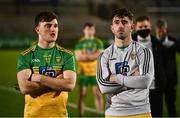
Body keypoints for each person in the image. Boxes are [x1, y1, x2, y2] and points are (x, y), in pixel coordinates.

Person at [96, 8, 154, 118]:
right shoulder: (104, 56)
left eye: (124, 22)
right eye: (117, 22)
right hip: (114, 113)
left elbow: (146, 81)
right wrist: (133, 80)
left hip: (141, 112)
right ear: (112, 28)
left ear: (132, 27)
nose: (120, 26)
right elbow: (103, 87)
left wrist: (117, 78)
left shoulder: (144, 52)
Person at [16, 11, 76, 117]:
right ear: (37, 30)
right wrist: (57, 82)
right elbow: (25, 87)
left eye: (55, 26)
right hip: (33, 115)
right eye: (48, 26)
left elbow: (69, 85)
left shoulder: (67, 55)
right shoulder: (25, 56)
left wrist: (39, 78)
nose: (53, 29)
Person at [132, 16, 166, 117]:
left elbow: (163, 65)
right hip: (136, 89)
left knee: (156, 114)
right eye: (140, 27)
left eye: (145, 26)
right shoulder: (129, 42)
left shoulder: (157, 43)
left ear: (150, 26)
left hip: (155, 88)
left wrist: (164, 82)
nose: (143, 29)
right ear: (135, 28)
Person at [74, 22, 104, 116]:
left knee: (98, 95)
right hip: (83, 73)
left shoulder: (98, 42)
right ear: (84, 30)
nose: (89, 31)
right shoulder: (80, 43)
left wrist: (86, 56)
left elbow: (99, 55)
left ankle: (99, 115)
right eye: (87, 29)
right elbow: (78, 57)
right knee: (82, 95)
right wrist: (93, 56)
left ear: (94, 30)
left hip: (95, 73)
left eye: (91, 29)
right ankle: (80, 116)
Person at [155, 19, 180, 117]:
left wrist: (174, 46)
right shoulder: (152, 41)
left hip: (171, 80)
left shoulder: (172, 40)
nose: (161, 32)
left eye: (163, 30)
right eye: (159, 30)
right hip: (157, 80)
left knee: (171, 106)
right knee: (157, 107)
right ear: (156, 30)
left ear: (166, 29)